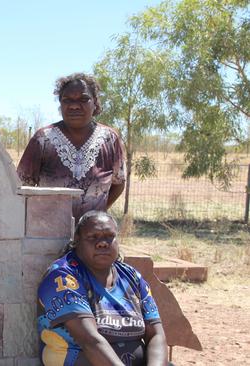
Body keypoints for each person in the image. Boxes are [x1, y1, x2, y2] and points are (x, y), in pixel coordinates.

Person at [37, 211, 168, 366]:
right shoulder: (63, 276)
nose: (103, 243)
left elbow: (156, 334)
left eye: (109, 236)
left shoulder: (132, 277)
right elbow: (90, 341)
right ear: (77, 241)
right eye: (93, 237)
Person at [17, 73, 126, 219]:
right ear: (60, 104)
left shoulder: (109, 139)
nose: (74, 106)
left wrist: (95, 215)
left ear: (95, 103)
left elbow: (118, 183)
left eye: (83, 99)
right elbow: (22, 187)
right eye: (67, 100)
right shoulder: (43, 139)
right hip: (47, 233)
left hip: (92, 236)